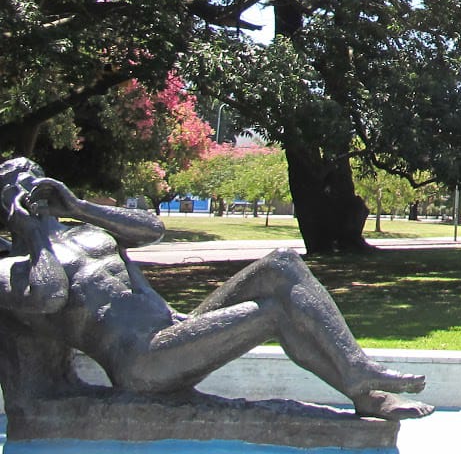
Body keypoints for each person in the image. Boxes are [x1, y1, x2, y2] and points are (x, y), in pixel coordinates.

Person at [0, 157, 430, 419]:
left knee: (280, 265)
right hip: (142, 362)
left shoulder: (87, 232)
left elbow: (153, 230)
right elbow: (48, 295)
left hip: (179, 328)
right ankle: (364, 390)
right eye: (12, 183)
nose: (27, 186)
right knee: (272, 312)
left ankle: (357, 373)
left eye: (32, 177)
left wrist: (77, 206)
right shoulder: (13, 266)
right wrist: (31, 232)